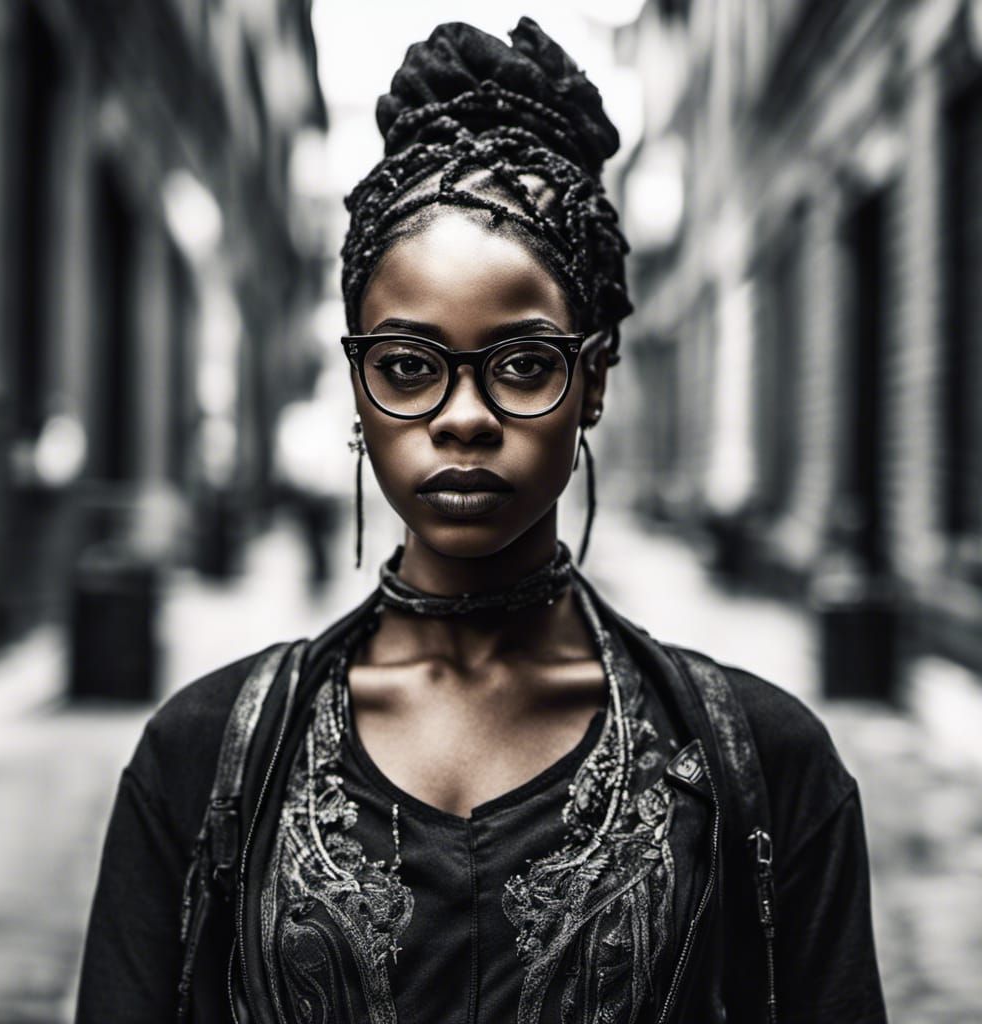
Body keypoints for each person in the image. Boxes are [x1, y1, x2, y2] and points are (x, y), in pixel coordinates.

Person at [76, 18, 888, 1024]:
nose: (464, 417)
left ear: (593, 380)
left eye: (523, 364)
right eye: (409, 367)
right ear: (359, 383)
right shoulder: (201, 763)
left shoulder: (762, 767)